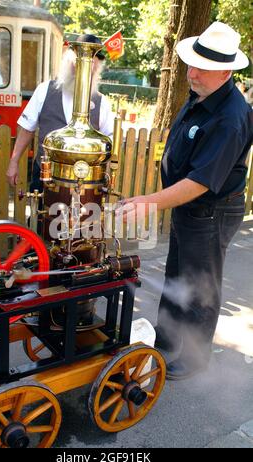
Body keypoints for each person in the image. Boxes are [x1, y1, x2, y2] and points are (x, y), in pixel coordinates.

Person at [119, 22, 253, 380]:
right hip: (190, 210)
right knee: (177, 273)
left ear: (225, 71)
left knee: (201, 285)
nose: (190, 73)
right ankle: (166, 339)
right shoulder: (201, 95)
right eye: (190, 64)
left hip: (211, 212)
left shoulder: (231, 117)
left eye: (201, 69)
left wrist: (149, 201)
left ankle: (195, 358)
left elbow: (198, 183)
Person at [6, 34, 113, 191]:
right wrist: (14, 162)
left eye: (92, 62)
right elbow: (27, 129)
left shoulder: (102, 102)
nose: (84, 68)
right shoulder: (44, 90)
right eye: (79, 60)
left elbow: (108, 143)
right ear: (68, 60)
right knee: (41, 215)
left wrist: (106, 175)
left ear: (97, 67)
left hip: (86, 182)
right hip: (45, 176)